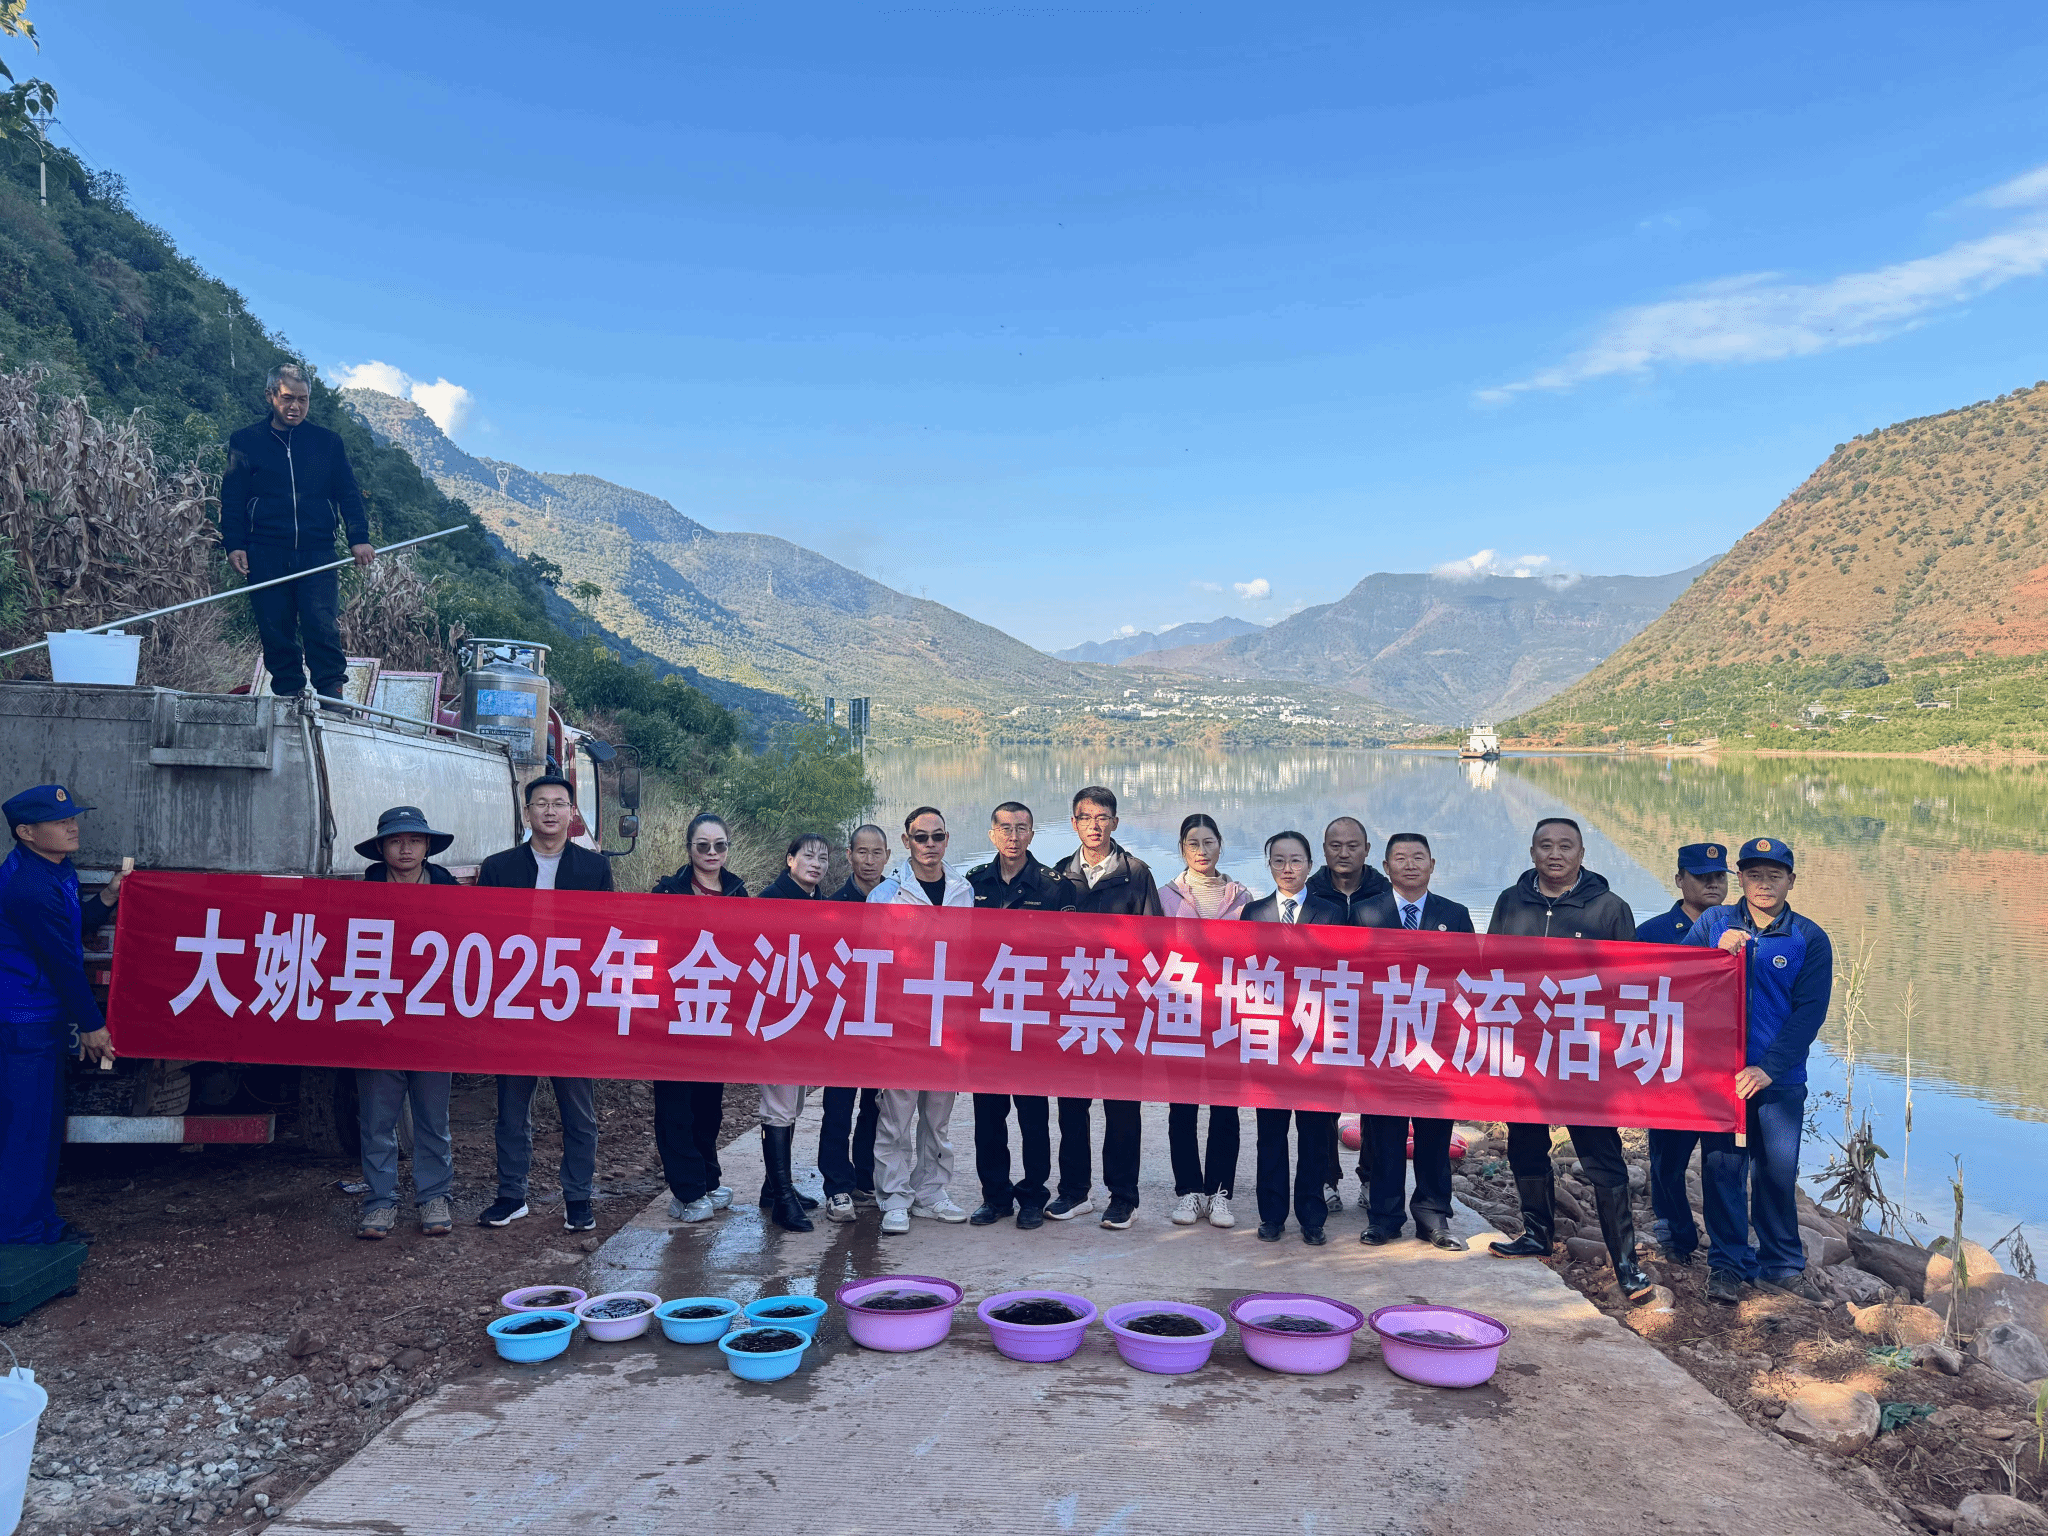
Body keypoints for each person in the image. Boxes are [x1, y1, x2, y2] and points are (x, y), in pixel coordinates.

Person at [1485, 818, 1654, 1301]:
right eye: (1545, 845)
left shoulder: (1609, 907)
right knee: (1525, 1143)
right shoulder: (1510, 902)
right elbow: (1489, 968)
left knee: (1601, 1153)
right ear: (1532, 851)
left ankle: (1626, 1263)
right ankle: (1537, 1234)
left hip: (1585, 1051)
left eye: (1565, 846)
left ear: (1582, 853)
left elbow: (1629, 983)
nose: (1554, 854)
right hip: (1526, 1048)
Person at [1685, 838, 1833, 1306]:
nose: (1763, 883)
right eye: (1753, 874)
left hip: (1778, 1081)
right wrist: (1713, 953)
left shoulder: (1808, 938)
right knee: (1722, 1170)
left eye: (1774, 875)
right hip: (1720, 1077)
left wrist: (1769, 1068)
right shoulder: (1714, 922)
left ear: (1791, 881)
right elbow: (1677, 978)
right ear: (1741, 879)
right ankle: (1727, 1264)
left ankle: (1782, 1265)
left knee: (1777, 1173)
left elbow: (1809, 1013)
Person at [475, 776, 613, 1233]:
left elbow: (607, 936)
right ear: (526, 812)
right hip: (516, 1002)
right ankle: (511, 1195)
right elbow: (482, 933)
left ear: (573, 814)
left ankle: (578, 1198)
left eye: (559, 804)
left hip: (571, 1004)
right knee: (512, 1108)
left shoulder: (594, 869)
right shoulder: (498, 868)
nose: (550, 811)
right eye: (541, 803)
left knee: (578, 1110)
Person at [0, 786, 123, 1247]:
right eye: (59, 822)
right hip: (22, 1020)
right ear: (26, 832)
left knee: (45, 1127)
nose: (72, 827)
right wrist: (92, 1025)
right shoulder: (29, 886)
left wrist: (107, 896)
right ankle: (20, 1232)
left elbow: (70, 930)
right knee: (26, 1131)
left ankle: (38, 1222)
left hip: (39, 1017)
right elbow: (63, 962)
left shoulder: (53, 868)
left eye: (73, 818)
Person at [220, 363, 375, 702]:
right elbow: (232, 498)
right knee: (275, 626)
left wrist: (358, 538)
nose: (295, 407)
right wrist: (234, 544)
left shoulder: (327, 443)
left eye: (303, 399)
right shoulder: (246, 441)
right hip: (264, 549)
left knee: (321, 623)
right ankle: (289, 695)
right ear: (270, 395)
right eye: (288, 398)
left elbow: (348, 493)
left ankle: (332, 694)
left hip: (317, 550)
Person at [1045, 786, 1161, 1231]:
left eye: (1102, 817)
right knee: (1071, 1105)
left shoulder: (1136, 874)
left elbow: (1154, 944)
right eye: (1085, 817)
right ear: (1073, 823)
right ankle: (1074, 1192)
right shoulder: (1059, 876)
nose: (1094, 825)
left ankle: (1123, 1197)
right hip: (1074, 1007)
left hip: (1120, 1007)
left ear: (1115, 822)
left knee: (1122, 1107)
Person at [1355, 834, 1473, 1251]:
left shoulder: (1454, 915)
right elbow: (1350, 973)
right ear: (1386, 867)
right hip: (1383, 1037)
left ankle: (1433, 1216)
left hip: (1436, 1040)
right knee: (1384, 1134)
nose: (1410, 865)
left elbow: (1470, 977)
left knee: (1434, 1131)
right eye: (1400, 858)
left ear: (1432, 864)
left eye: (1418, 857)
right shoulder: (1365, 913)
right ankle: (1384, 1218)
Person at [352, 808, 459, 1239]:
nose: (405, 848)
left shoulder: (452, 894)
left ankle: (434, 1196)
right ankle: (380, 1201)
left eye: (414, 840)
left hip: (433, 1022)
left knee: (433, 1118)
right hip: (378, 1019)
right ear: (381, 848)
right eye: (396, 841)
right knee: (377, 1120)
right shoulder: (360, 894)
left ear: (427, 846)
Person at [964, 802, 1071, 1229]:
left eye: (1021, 828)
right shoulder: (972, 884)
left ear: (1032, 834)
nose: (1013, 836)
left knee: (1033, 1115)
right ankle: (995, 1197)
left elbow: (1067, 953)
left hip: (1033, 1017)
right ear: (992, 833)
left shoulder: (1055, 887)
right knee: (988, 1116)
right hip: (987, 1016)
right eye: (1005, 828)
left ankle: (1032, 1195)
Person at [867, 806, 973, 1234]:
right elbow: (872, 960)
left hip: (948, 1018)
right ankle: (894, 1196)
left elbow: (972, 955)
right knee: (896, 1114)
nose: (930, 844)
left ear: (947, 839)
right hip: (903, 1018)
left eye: (937, 836)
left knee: (938, 1116)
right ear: (907, 841)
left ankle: (931, 1191)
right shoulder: (887, 894)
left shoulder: (964, 890)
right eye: (921, 837)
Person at [1633, 843, 1732, 1264]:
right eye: (1701, 876)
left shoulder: (1745, 929)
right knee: (1667, 1158)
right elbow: (1632, 997)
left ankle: (1728, 1249)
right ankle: (1675, 1234)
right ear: (1679, 880)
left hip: (1725, 1067)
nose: (1712, 883)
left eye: (1719, 876)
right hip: (1669, 1060)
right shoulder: (1651, 933)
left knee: (1724, 1162)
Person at [1244, 830, 1343, 1245]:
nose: (1288, 868)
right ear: (1269, 865)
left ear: (1310, 866)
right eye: (1279, 860)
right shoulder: (1254, 913)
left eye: (1296, 860)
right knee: (1270, 1133)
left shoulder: (1332, 913)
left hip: (1315, 1037)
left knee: (1315, 1133)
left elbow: (1342, 971)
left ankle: (1312, 1216)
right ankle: (1271, 1216)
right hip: (1268, 1037)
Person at [1159, 813, 1252, 1230]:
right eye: (1193, 843)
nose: (1201, 850)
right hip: (1181, 1012)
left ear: (1220, 845)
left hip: (1229, 1015)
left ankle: (1219, 1194)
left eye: (1208, 842)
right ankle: (1189, 1191)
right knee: (1182, 1107)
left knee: (1225, 1107)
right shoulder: (1164, 897)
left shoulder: (1244, 898)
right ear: (1182, 848)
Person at [653, 812, 745, 1224]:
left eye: (719, 845)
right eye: (702, 845)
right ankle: (686, 1192)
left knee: (709, 1106)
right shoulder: (666, 892)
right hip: (673, 1015)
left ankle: (707, 1179)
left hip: (717, 1012)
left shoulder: (739, 892)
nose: (711, 853)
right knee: (676, 1107)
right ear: (689, 848)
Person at [1305, 816, 1389, 1212]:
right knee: (1323, 1099)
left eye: (1352, 846)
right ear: (1324, 850)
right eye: (1335, 845)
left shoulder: (1386, 893)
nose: (1344, 853)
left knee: (1375, 1100)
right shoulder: (1309, 893)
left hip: (1377, 1012)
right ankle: (1326, 1178)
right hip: (1325, 1011)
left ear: (1367, 850)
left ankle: (1371, 1178)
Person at [752, 834, 832, 1232]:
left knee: (793, 1102)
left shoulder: (821, 903)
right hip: (774, 1019)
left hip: (802, 1017)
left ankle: (774, 1188)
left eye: (823, 858)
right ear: (790, 860)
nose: (816, 864)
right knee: (779, 1105)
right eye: (808, 856)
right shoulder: (770, 901)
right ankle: (783, 1201)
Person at [817, 825, 889, 1219]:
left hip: (883, 1018)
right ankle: (837, 1186)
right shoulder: (834, 906)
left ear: (888, 856)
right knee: (838, 1106)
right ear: (849, 855)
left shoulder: (898, 901)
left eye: (877, 853)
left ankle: (865, 1179)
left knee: (875, 1106)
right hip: (842, 1019)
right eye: (862, 852)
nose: (869, 860)